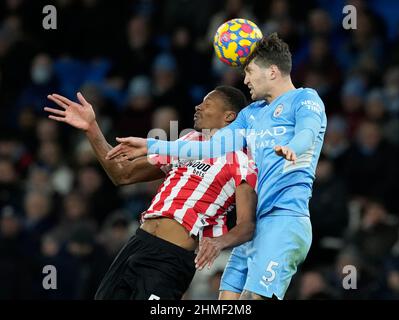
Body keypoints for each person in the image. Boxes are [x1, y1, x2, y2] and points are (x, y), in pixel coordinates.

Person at [105, 33, 327, 300]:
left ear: (272, 72)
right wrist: (151, 145)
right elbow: (207, 147)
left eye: (249, 72)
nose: (245, 80)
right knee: (226, 300)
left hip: (285, 218)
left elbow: (308, 131)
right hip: (259, 223)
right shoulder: (251, 114)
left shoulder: (305, 98)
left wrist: (294, 147)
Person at [44, 85, 257, 300]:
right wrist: (91, 127)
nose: (198, 106)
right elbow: (122, 173)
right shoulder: (188, 141)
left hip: (170, 258)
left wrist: (219, 242)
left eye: (207, 104)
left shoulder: (240, 159)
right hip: (138, 241)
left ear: (229, 116)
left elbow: (247, 225)